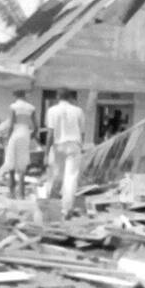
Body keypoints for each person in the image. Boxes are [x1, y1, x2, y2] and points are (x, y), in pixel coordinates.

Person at [44, 89, 85, 217]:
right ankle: (66, 209)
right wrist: (81, 146)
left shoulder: (52, 111)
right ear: (71, 97)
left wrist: (46, 153)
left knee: (56, 175)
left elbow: (50, 134)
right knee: (71, 177)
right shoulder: (78, 111)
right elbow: (82, 132)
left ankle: (51, 204)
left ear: (57, 96)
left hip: (58, 146)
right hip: (74, 145)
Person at [0, 89, 36, 198]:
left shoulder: (14, 106)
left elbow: (11, 124)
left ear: (16, 96)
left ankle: (11, 192)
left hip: (15, 133)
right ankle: (21, 194)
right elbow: (36, 126)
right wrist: (32, 135)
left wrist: (7, 137)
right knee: (22, 164)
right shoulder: (31, 108)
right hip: (25, 133)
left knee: (10, 163)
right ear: (24, 96)